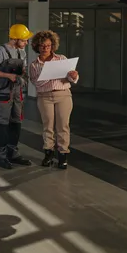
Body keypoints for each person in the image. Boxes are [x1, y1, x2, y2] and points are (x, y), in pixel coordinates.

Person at [0, 24, 34, 169]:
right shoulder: (1, 51)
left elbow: (23, 70)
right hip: (4, 92)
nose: (26, 42)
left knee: (16, 122)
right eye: (24, 40)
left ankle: (12, 153)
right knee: (2, 123)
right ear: (15, 39)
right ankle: (0, 156)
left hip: (17, 92)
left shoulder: (22, 52)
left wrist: (24, 77)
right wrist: (8, 75)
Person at [29, 30, 79, 169]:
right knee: (48, 126)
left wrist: (73, 76)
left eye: (48, 45)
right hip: (45, 97)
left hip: (63, 95)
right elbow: (36, 82)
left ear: (52, 46)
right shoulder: (34, 64)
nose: (45, 48)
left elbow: (70, 79)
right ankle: (48, 154)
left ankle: (63, 155)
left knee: (63, 126)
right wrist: (49, 75)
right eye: (42, 45)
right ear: (37, 47)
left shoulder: (61, 59)